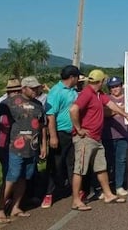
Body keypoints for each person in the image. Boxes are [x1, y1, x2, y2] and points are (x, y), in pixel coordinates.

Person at [69, 70, 128, 211]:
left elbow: (111, 105)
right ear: (101, 81)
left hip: (96, 138)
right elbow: (73, 109)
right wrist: (79, 128)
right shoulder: (87, 93)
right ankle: (75, 200)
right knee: (80, 169)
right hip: (85, 138)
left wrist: (126, 115)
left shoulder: (99, 94)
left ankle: (108, 194)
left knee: (101, 167)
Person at [1, 76, 47, 219]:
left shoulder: (39, 105)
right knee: (11, 178)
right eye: (32, 88)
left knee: (24, 179)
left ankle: (16, 207)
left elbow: (42, 126)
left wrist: (43, 145)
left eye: (36, 88)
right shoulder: (9, 103)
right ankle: (0, 209)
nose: (35, 90)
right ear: (23, 88)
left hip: (32, 148)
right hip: (14, 148)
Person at [42, 65, 81, 208]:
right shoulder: (56, 91)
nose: (78, 80)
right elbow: (50, 115)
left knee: (72, 163)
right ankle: (48, 194)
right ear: (72, 77)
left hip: (73, 133)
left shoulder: (73, 91)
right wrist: (53, 136)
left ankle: (75, 191)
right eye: (77, 77)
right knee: (55, 164)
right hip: (60, 132)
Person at [0, 78, 22, 223]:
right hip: (4, 145)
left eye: (19, 90)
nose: (18, 92)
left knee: (15, 175)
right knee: (9, 176)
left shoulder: (19, 103)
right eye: (15, 90)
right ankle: (0, 209)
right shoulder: (3, 105)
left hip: (15, 145)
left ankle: (13, 205)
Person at [103, 76, 128, 197]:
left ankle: (119, 185)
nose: (115, 89)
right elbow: (105, 113)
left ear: (121, 86)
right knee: (108, 161)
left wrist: (116, 110)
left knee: (121, 160)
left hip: (124, 134)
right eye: (113, 87)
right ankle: (106, 186)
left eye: (117, 86)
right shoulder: (106, 98)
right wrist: (121, 110)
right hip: (108, 135)